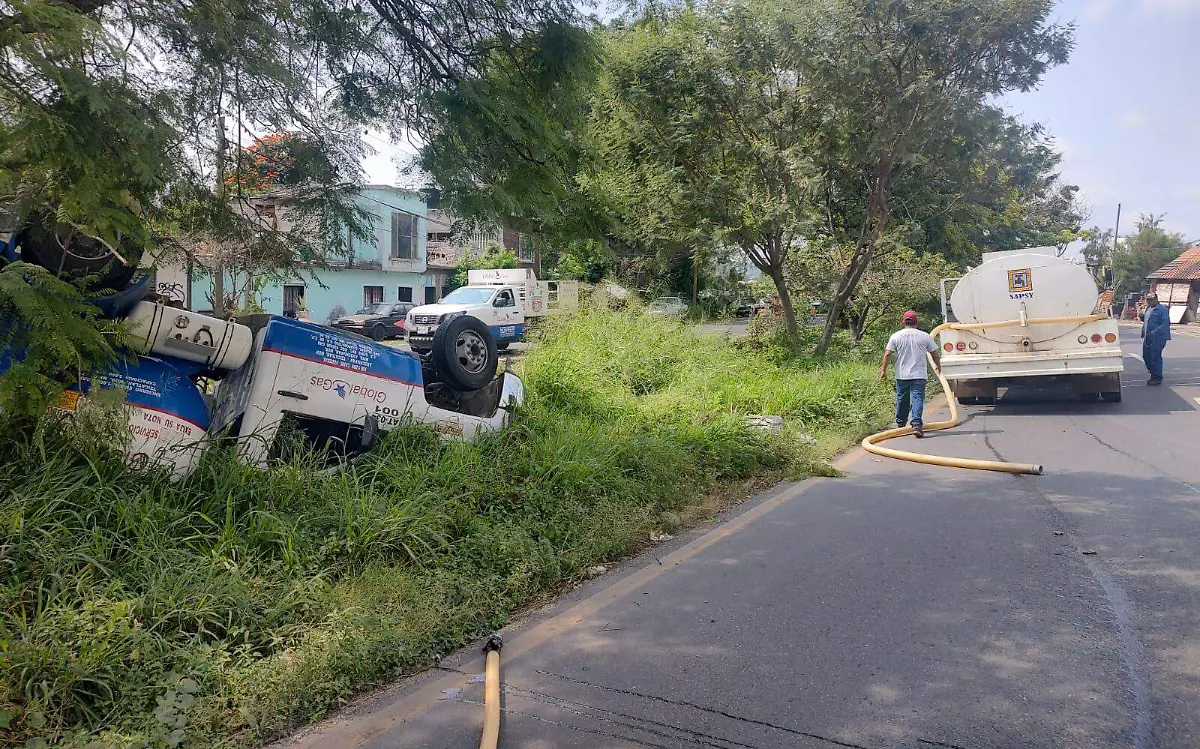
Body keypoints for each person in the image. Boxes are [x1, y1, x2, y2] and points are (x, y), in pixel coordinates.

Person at [881, 310, 941, 438]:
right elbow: (935, 353)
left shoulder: (896, 336)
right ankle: (916, 425)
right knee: (917, 398)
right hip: (919, 374)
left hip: (902, 374)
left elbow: (887, 353)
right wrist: (937, 366)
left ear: (903, 321)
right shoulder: (924, 336)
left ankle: (900, 425)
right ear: (916, 322)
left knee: (902, 398)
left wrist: (883, 371)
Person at [1141, 293, 1171, 385]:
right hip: (1147, 336)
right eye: (1148, 299)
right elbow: (1147, 321)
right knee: (1146, 356)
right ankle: (1153, 372)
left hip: (1158, 337)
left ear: (1156, 299)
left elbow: (1165, 323)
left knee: (1155, 356)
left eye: (1151, 299)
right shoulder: (1148, 309)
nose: (1149, 301)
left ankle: (1157, 376)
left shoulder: (1162, 309)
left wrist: (1155, 331)